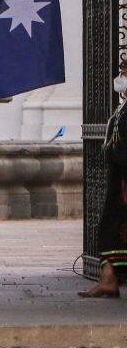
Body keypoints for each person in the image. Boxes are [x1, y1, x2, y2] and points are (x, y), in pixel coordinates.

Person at [79, 61, 127, 298]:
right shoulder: (123, 107)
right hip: (118, 180)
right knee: (108, 228)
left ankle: (109, 278)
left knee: (114, 229)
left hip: (124, 180)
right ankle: (108, 279)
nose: (121, 78)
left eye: (124, 73)